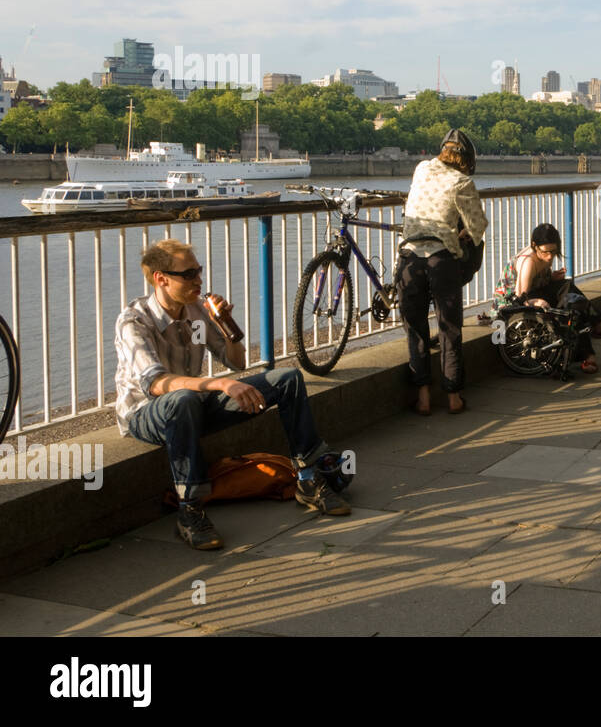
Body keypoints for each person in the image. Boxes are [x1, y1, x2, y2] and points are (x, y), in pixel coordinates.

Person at [116, 239, 350, 550]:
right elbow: (157, 384)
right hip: (146, 413)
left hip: (193, 404)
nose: (199, 280)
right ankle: (190, 511)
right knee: (182, 400)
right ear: (161, 278)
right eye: (189, 275)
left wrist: (227, 325)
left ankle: (308, 478)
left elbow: (236, 361)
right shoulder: (135, 321)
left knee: (287, 378)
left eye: (198, 271)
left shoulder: (196, 311)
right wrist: (222, 384)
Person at [398, 129, 488, 416]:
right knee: (449, 329)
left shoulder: (421, 168)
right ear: (467, 160)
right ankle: (453, 397)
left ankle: (423, 398)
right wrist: (461, 233)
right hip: (441, 261)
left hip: (409, 258)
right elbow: (477, 228)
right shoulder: (462, 182)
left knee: (415, 330)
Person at [491, 223, 601, 373]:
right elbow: (519, 297)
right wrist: (536, 301)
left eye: (554, 251)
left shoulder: (543, 255)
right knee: (569, 296)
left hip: (534, 293)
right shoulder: (528, 261)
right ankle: (597, 332)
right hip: (512, 303)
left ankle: (589, 351)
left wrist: (551, 276)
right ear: (534, 246)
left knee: (573, 300)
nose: (550, 256)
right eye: (546, 252)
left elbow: (537, 283)